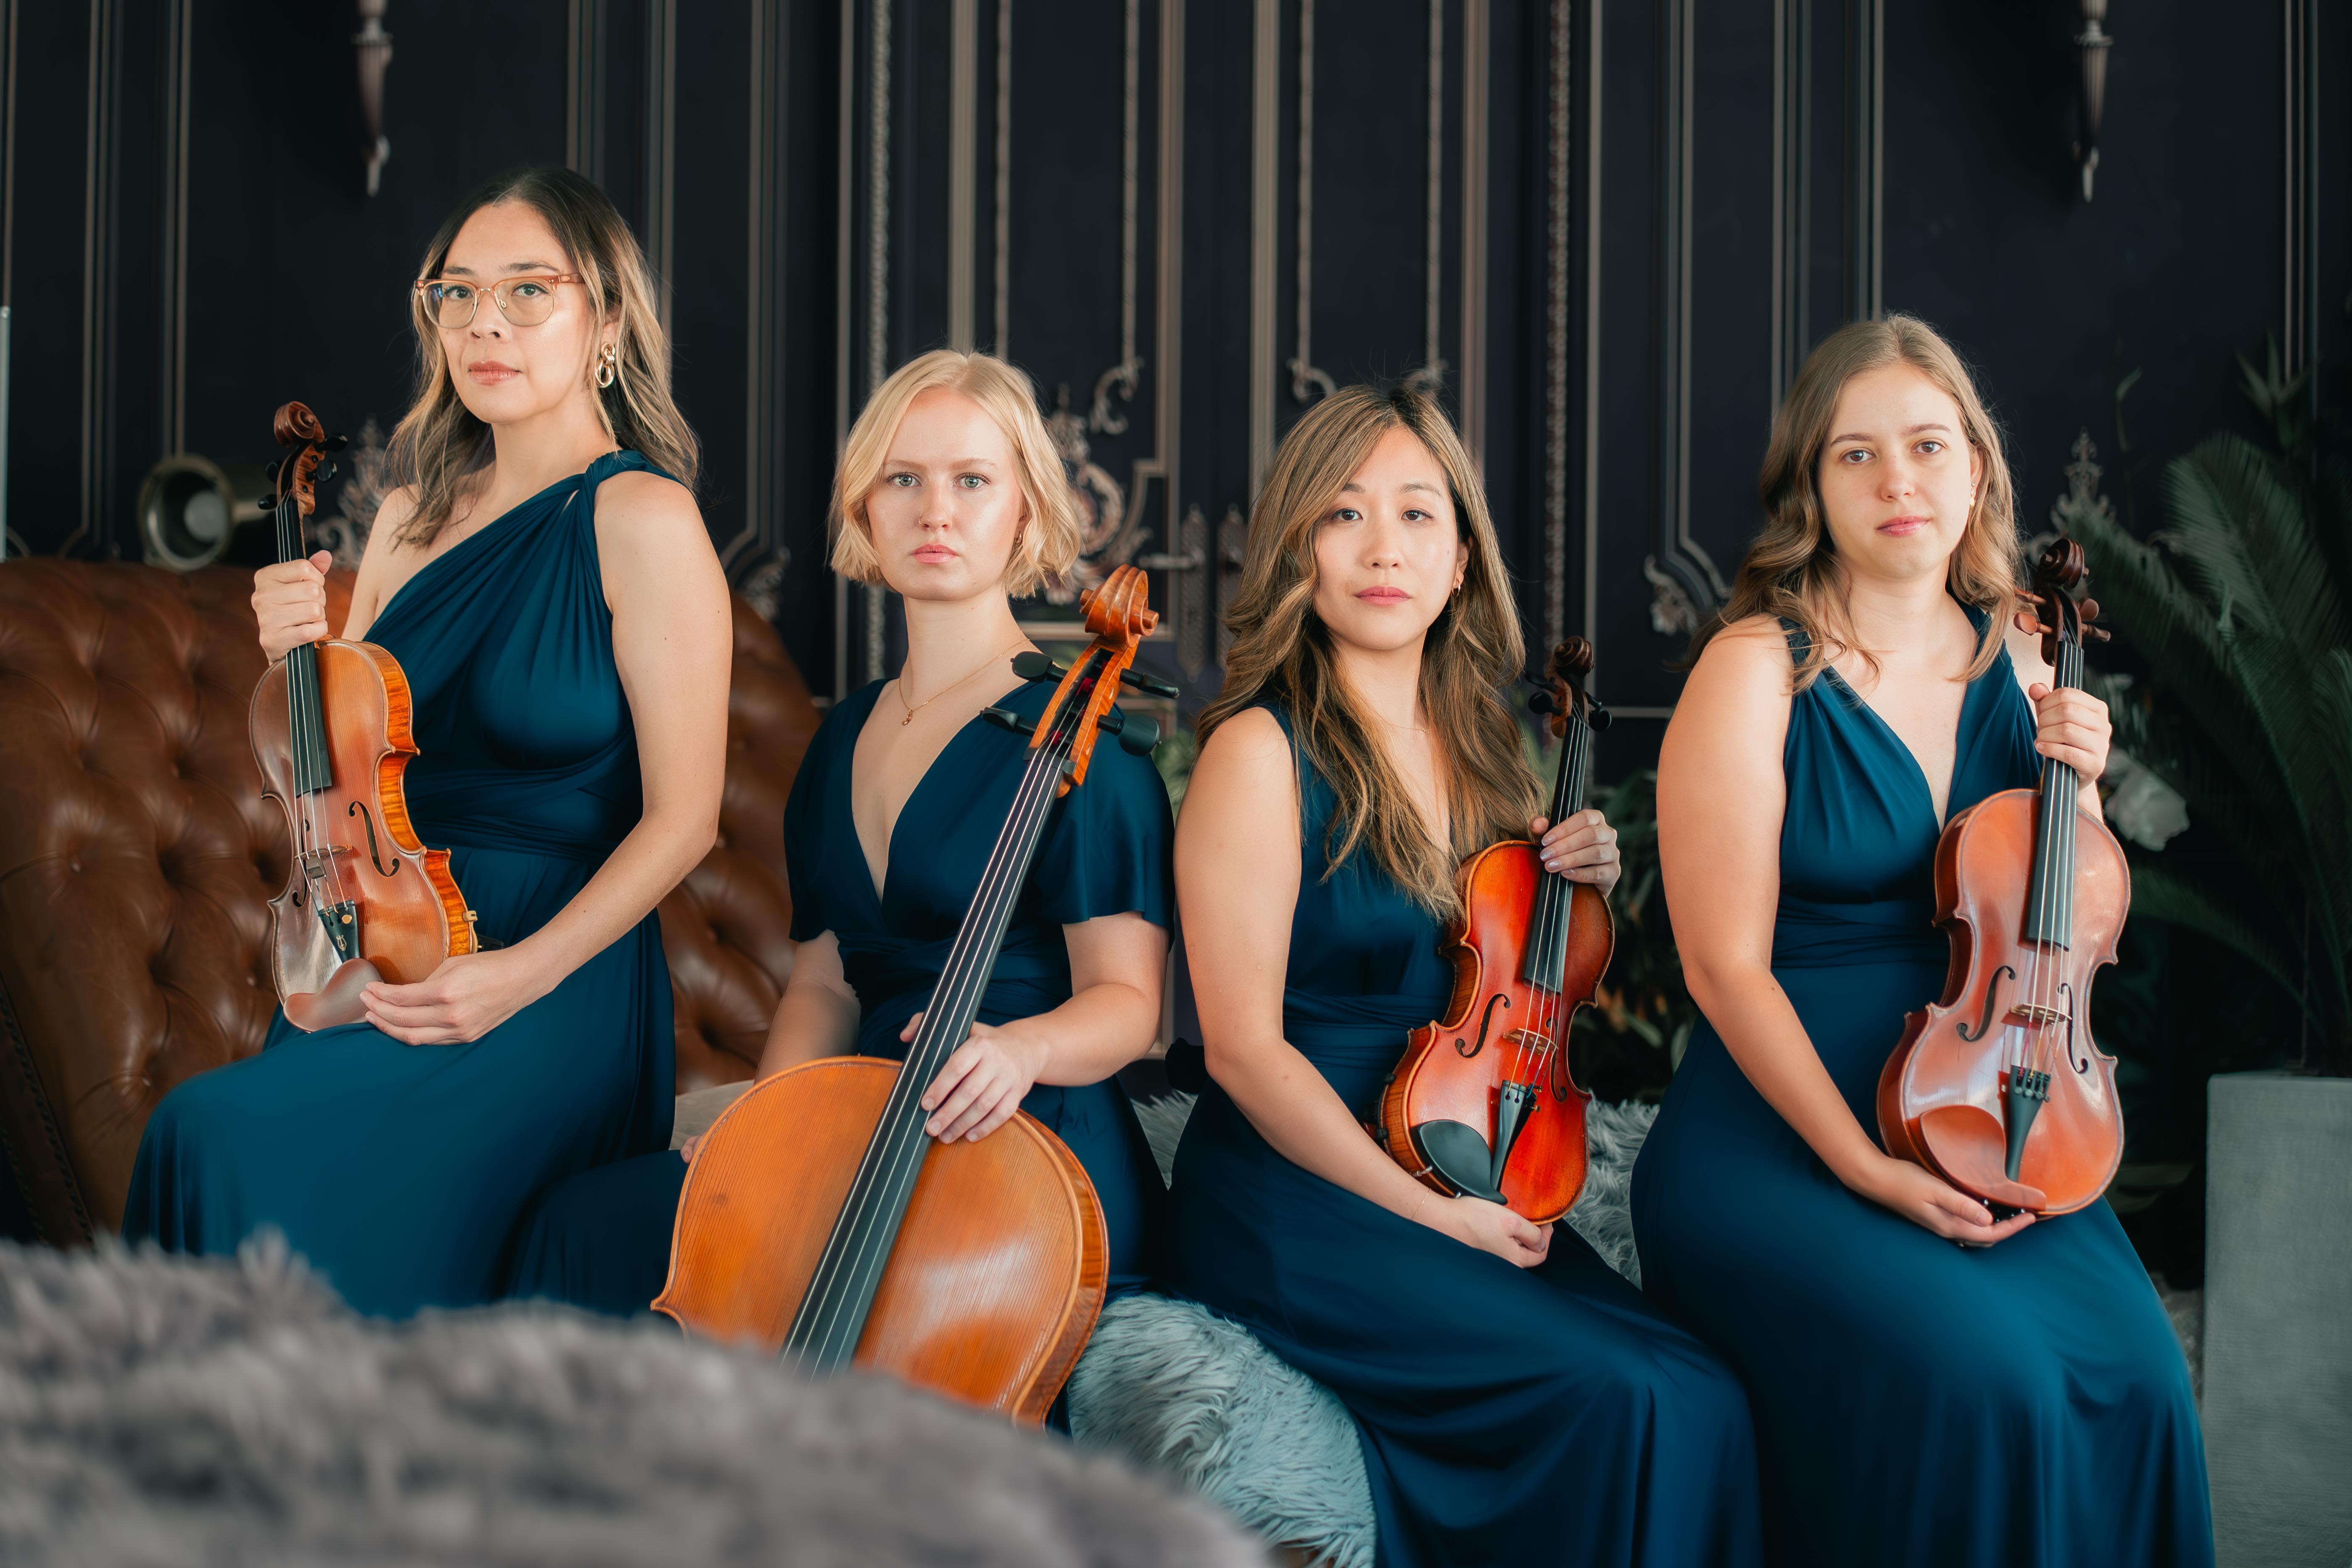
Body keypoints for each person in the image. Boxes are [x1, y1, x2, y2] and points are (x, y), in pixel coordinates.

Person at [1634, 315, 2212, 1566]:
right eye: (1857, 453)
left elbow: (2058, 929)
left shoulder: (2031, 654)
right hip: (1784, 1128)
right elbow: (1721, 967)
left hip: (1992, 1101)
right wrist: (1864, 1166)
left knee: (2145, 1379)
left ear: (1977, 468)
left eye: (1928, 445)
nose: (1898, 479)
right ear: (1813, 485)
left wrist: (2082, 792)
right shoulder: (1756, 668)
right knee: (1989, 1382)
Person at [1158, 383, 1761, 1568]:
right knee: (1626, 1396)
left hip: (1459, 1148)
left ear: (1461, 560)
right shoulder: (1257, 749)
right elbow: (1243, 1052)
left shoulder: (1491, 752)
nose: (1383, 547)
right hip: (1302, 1183)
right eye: (1343, 513)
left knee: (1702, 1392)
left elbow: (1520, 992)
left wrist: (1579, 882)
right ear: (1297, 550)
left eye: (1417, 514)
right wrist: (1439, 1217)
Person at [121, 167, 731, 1317]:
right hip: (386, 955)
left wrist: (514, 975)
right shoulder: (407, 518)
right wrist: (291, 655)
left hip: (555, 983)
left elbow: (686, 821)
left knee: (210, 1133)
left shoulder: (643, 518)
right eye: (457, 294)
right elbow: (341, 779)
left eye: (528, 291)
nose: (483, 324)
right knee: (210, 1141)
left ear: (606, 318)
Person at [507, 349, 1173, 1318]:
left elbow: (1129, 1004)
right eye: (902, 480)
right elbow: (823, 984)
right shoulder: (842, 737)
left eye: (972, 481)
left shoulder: (1085, 744)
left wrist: (1022, 1050)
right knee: (579, 1226)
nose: (935, 511)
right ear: (865, 510)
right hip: (861, 1125)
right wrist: (763, 1137)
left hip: (1024, 1148)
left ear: (1025, 512)